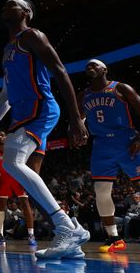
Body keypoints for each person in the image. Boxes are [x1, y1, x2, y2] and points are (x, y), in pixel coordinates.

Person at [0, 0, 89, 259]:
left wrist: (75, 118)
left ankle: (65, 227)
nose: (5, 6)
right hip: (22, 113)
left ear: (26, 12)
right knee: (18, 168)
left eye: (12, 4)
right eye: (4, 4)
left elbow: (60, 70)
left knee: (12, 162)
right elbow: (6, 90)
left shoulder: (32, 36)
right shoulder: (7, 49)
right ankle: (72, 237)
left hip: (40, 107)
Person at [78, 58, 140, 253]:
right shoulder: (83, 95)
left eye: (94, 65)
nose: (90, 67)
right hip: (101, 144)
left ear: (104, 69)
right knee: (101, 190)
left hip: (126, 140)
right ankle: (114, 237)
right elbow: (79, 118)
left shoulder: (121, 89)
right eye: (87, 65)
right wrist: (76, 128)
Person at [0, 130, 36, 246]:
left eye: (2, 135)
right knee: (1, 207)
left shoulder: (13, 146)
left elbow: (25, 159)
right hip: (4, 180)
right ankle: (0, 235)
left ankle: (31, 234)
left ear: (6, 137)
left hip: (17, 177)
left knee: (25, 204)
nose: (0, 137)